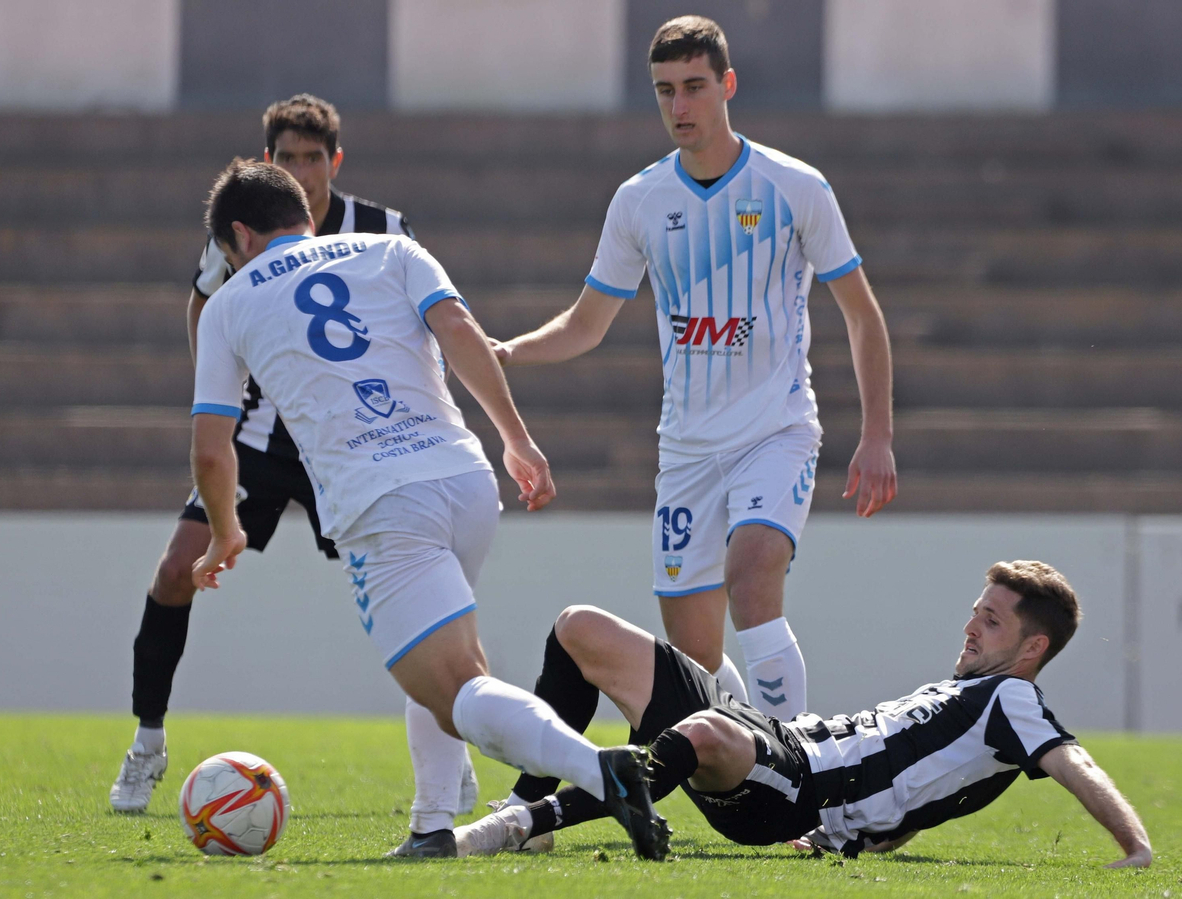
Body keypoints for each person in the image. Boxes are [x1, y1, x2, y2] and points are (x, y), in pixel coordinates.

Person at [184, 160, 670, 860]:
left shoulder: (229, 303)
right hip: (464, 477)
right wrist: (517, 438)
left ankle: (600, 770)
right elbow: (460, 330)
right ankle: (432, 824)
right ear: (305, 216)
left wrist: (225, 530)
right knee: (440, 658)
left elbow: (211, 445)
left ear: (238, 236)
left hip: (380, 502)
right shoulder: (391, 247)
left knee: (454, 685)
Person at [493, 15, 896, 752]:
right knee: (695, 661)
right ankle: (756, 754)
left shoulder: (793, 186)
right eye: (665, 92)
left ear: (727, 86)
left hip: (775, 431)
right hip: (686, 452)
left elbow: (863, 316)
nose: (680, 106)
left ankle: (802, 771)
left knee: (751, 580)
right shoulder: (640, 201)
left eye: (694, 88)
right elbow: (586, 324)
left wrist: (876, 435)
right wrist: (509, 353)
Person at [109, 94, 483, 829]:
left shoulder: (383, 230)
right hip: (259, 442)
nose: (303, 171)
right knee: (174, 569)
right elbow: (202, 305)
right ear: (268, 163)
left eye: (315, 158)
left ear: (334, 163)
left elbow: (425, 324)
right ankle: (147, 740)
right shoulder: (239, 238)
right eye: (288, 158)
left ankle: (457, 738)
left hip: (354, 441)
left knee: (417, 582)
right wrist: (217, 385)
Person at [457, 561, 1153, 869]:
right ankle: (541, 802)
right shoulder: (968, 696)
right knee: (579, 628)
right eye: (975, 612)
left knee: (701, 735)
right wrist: (872, 834)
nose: (972, 628)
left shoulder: (1015, 700)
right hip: (780, 740)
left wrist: (1135, 844)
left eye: (992, 621)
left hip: (794, 791)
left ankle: (515, 826)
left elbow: (1073, 760)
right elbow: (923, 789)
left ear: (1034, 647)